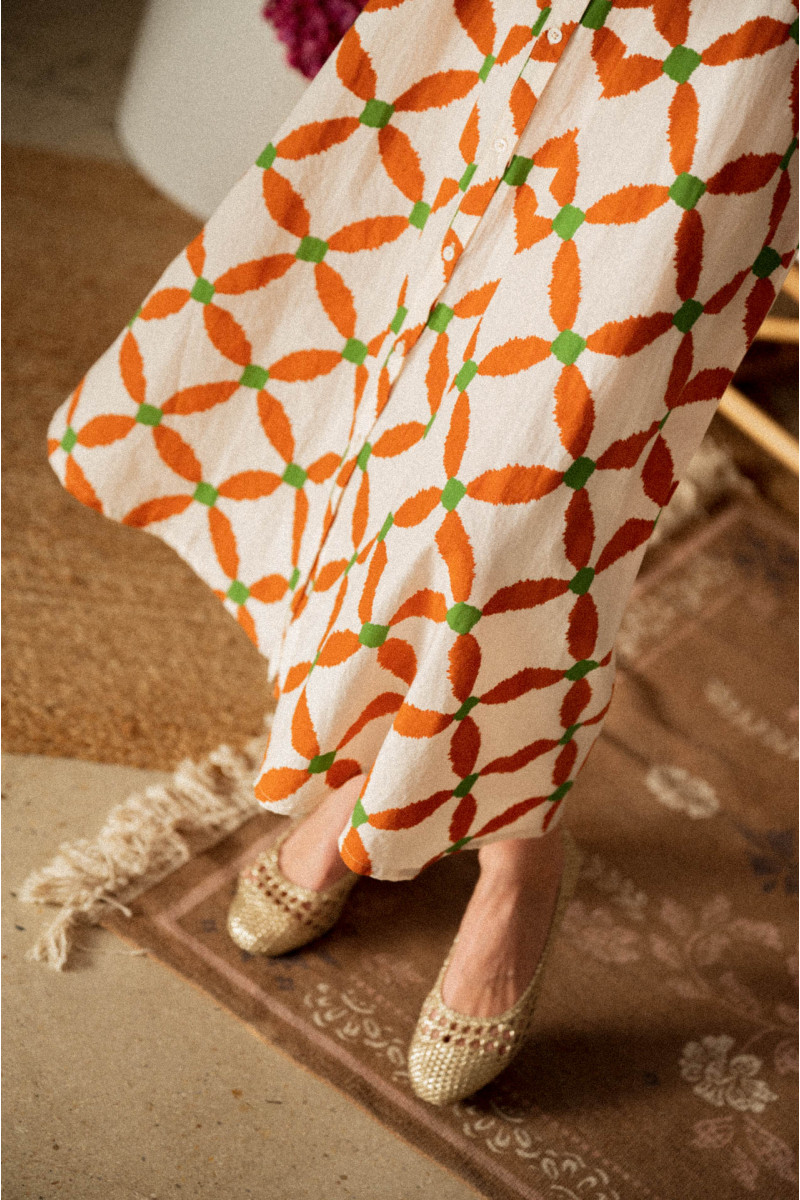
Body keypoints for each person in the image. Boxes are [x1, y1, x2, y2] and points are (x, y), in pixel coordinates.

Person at [46, 0, 798, 1106]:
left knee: (535, 486)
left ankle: (517, 842)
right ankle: (372, 774)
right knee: (388, 368)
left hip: (733, 46)